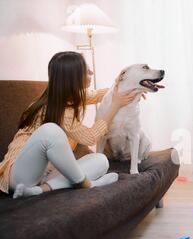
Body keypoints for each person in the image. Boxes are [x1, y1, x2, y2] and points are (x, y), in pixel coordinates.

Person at [0, 51, 146, 199]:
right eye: (87, 71)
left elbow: (98, 94)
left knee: (100, 160)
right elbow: (90, 138)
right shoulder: (58, 109)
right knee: (50, 131)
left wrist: (131, 91)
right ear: (74, 78)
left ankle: (40, 190)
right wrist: (115, 105)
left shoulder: (72, 96)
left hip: (46, 175)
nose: (92, 72)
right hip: (19, 175)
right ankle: (88, 184)